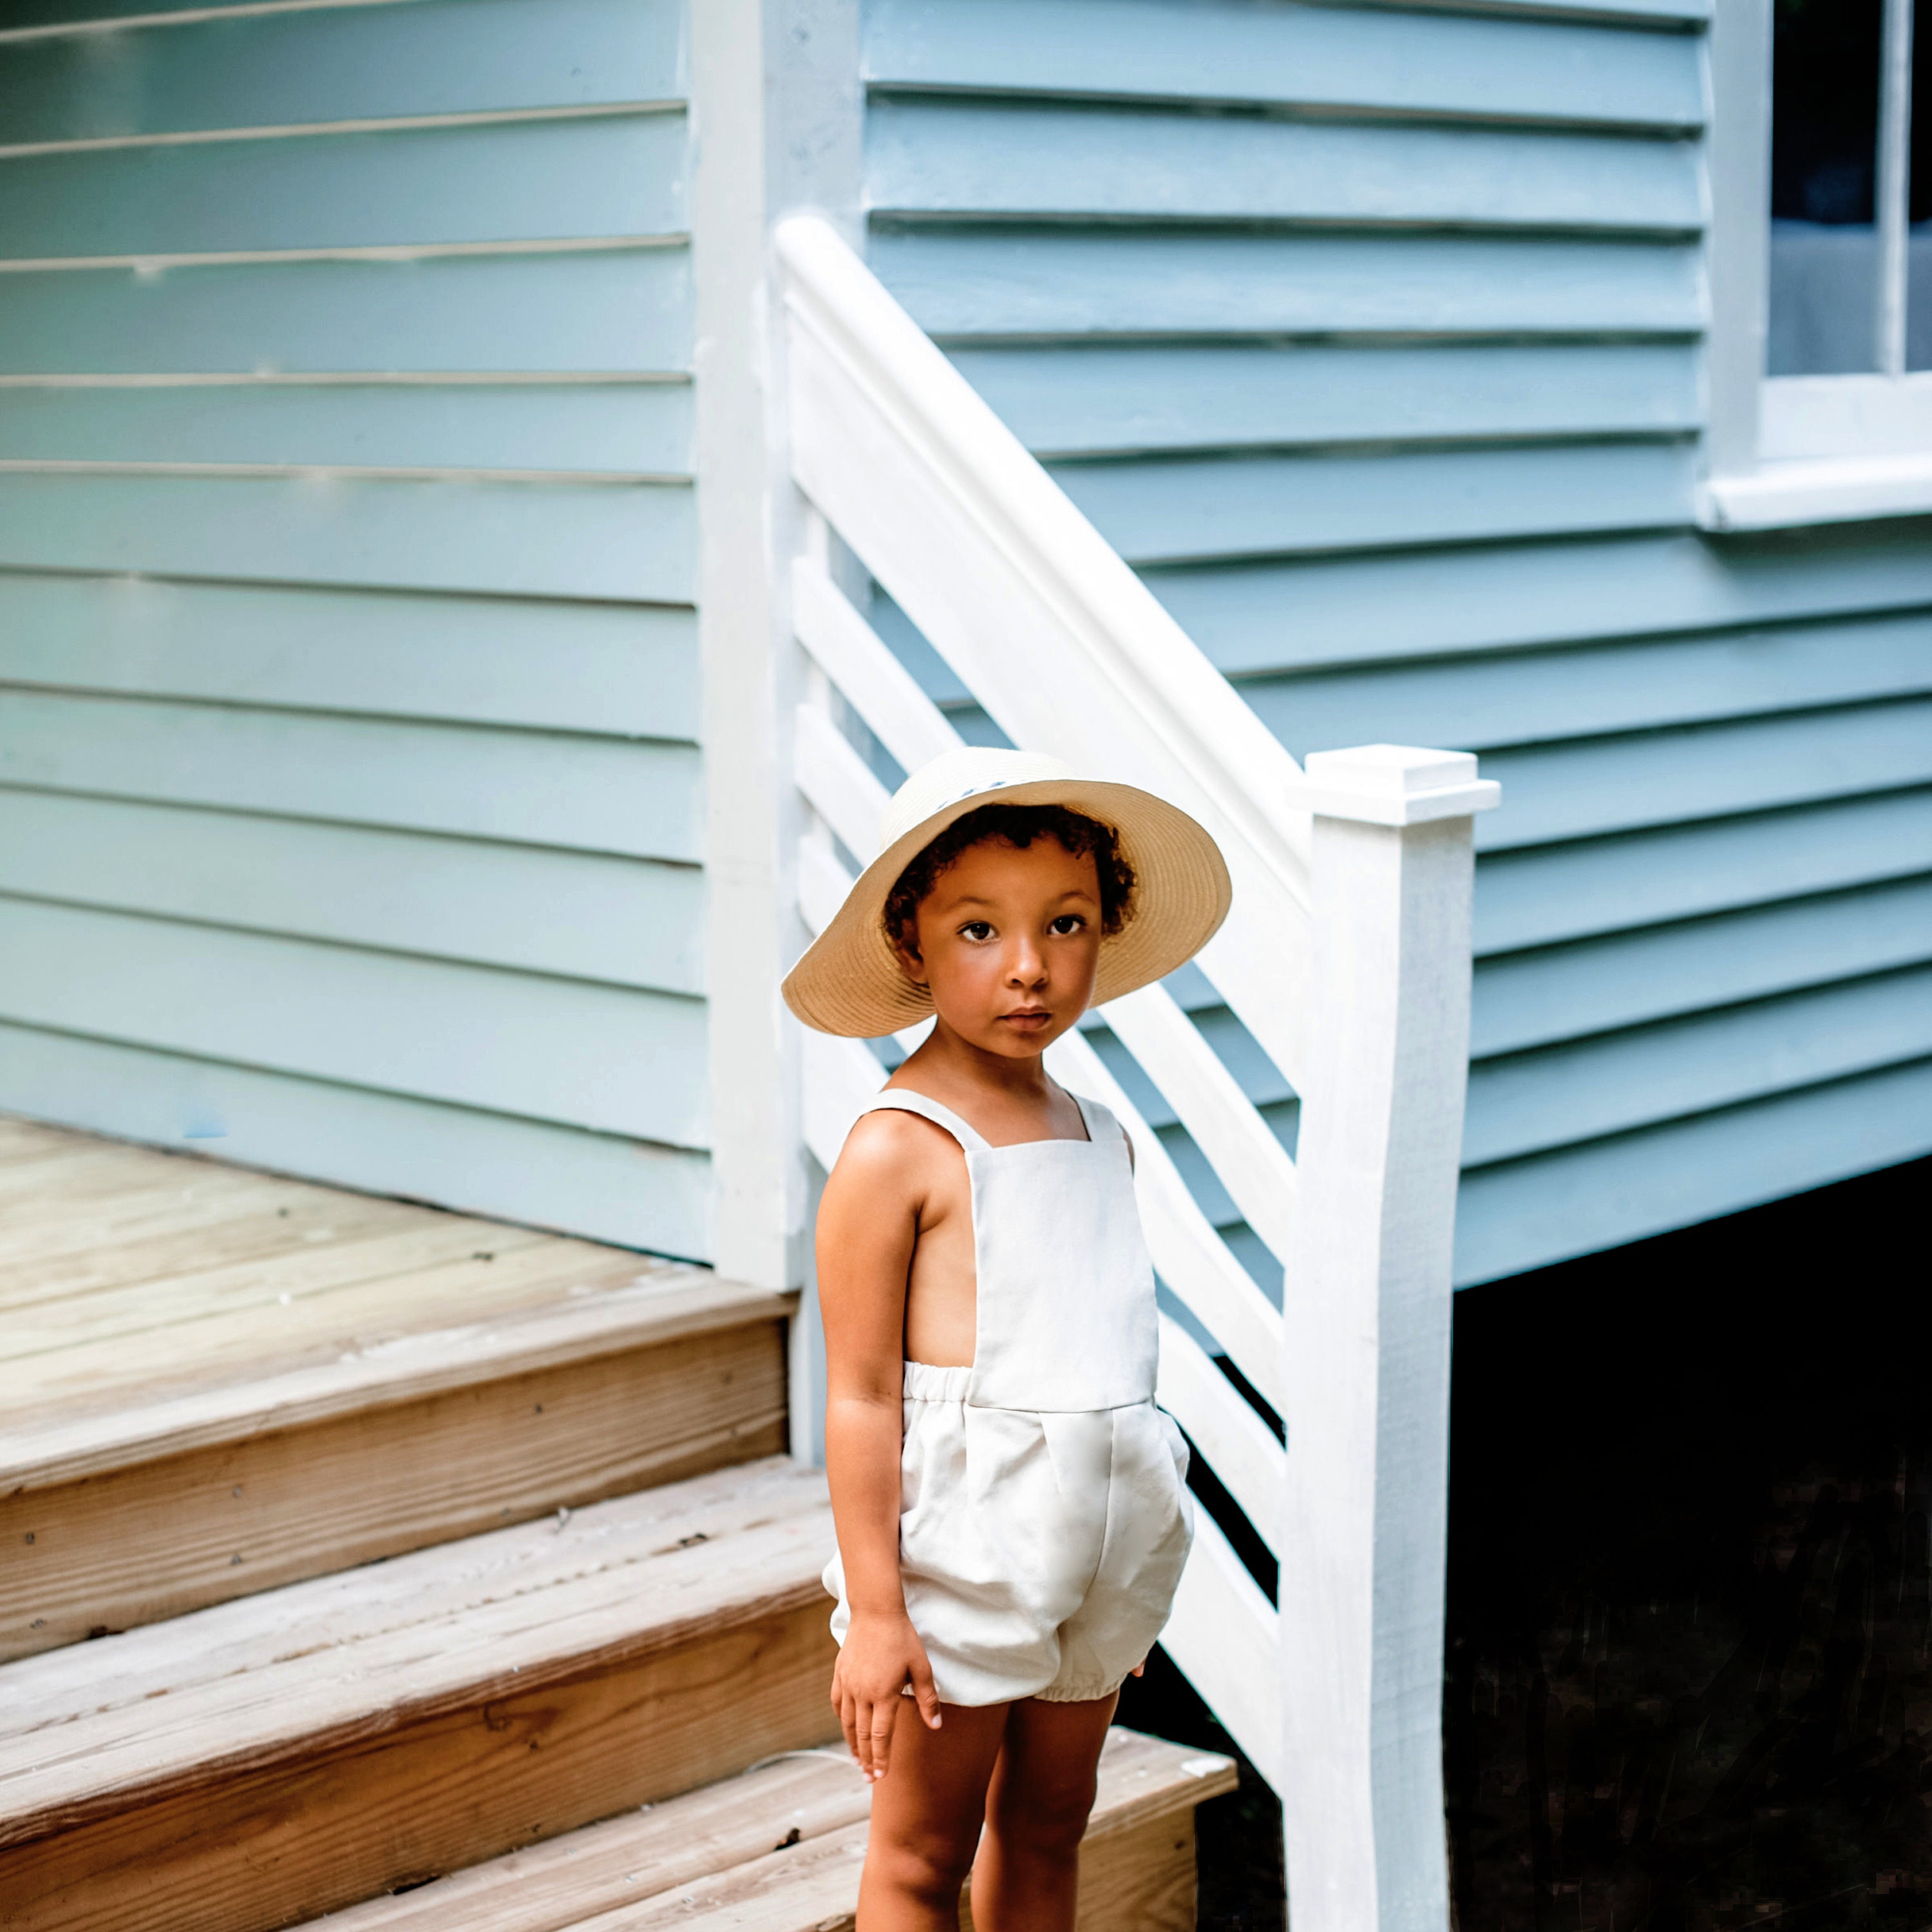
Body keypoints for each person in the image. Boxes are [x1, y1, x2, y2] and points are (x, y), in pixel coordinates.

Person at [782, 745, 1232, 1931]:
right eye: (979, 930)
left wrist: (1111, 1551)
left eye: (1066, 925)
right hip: (964, 1558)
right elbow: (864, 1396)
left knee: (1048, 1825)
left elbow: (1102, 1361)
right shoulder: (900, 1147)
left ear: (1105, 934)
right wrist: (879, 1612)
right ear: (910, 943)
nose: (1029, 968)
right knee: (927, 1854)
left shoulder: (1101, 1135)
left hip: (1098, 1543)